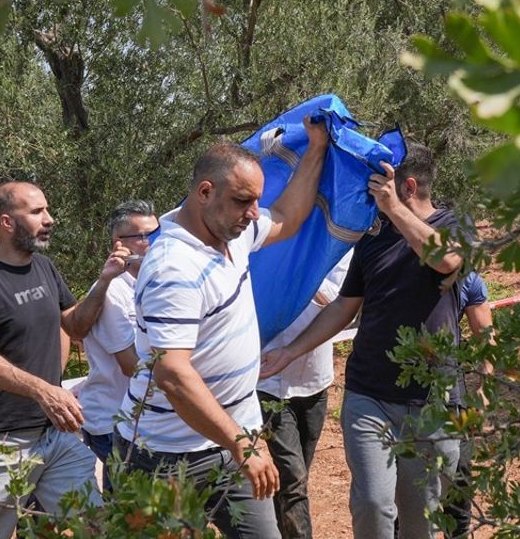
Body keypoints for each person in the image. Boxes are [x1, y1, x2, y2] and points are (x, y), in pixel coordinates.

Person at [116, 124, 329, 539]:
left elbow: (287, 216)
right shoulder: (173, 268)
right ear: (204, 193)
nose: (253, 213)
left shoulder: (233, 231)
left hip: (233, 441)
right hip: (166, 458)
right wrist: (242, 445)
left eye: (255, 201)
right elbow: (173, 375)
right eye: (242, 201)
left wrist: (317, 148)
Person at [261, 142, 465, 539]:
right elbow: (344, 307)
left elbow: (446, 261)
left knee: (420, 517)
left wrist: (392, 209)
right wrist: (289, 351)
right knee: (372, 504)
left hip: (432, 399)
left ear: (405, 185)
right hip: (369, 393)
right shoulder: (373, 240)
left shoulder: (453, 225)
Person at [0, 181, 127, 538]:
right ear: (7, 223)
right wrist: (43, 391)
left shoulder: (44, 267)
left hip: (53, 435)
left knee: (97, 525)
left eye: (46, 210)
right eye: (36, 212)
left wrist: (105, 281)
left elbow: (74, 324)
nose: (49, 219)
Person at [256, 250, 351, 539]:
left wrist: (299, 267)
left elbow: (339, 300)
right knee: (293, 477)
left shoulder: (335, 246)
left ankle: (277, 530)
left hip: (315, 380)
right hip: (268, 383)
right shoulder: (262, 243)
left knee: (296, 477)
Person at [79, 200, 157, 488]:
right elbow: (131, 366)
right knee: (129, 507)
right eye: (143, 236)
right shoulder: (111, 292)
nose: (153, 242)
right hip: (112, 422)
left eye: (156, 233)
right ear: (119, 244)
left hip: (141, 420)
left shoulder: (151, 283)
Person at [443, 272, 493, 538]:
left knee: (459, 471)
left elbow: (486, 341)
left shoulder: (469, 279)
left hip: (450, 386)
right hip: (398, 389)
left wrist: (483, 393)